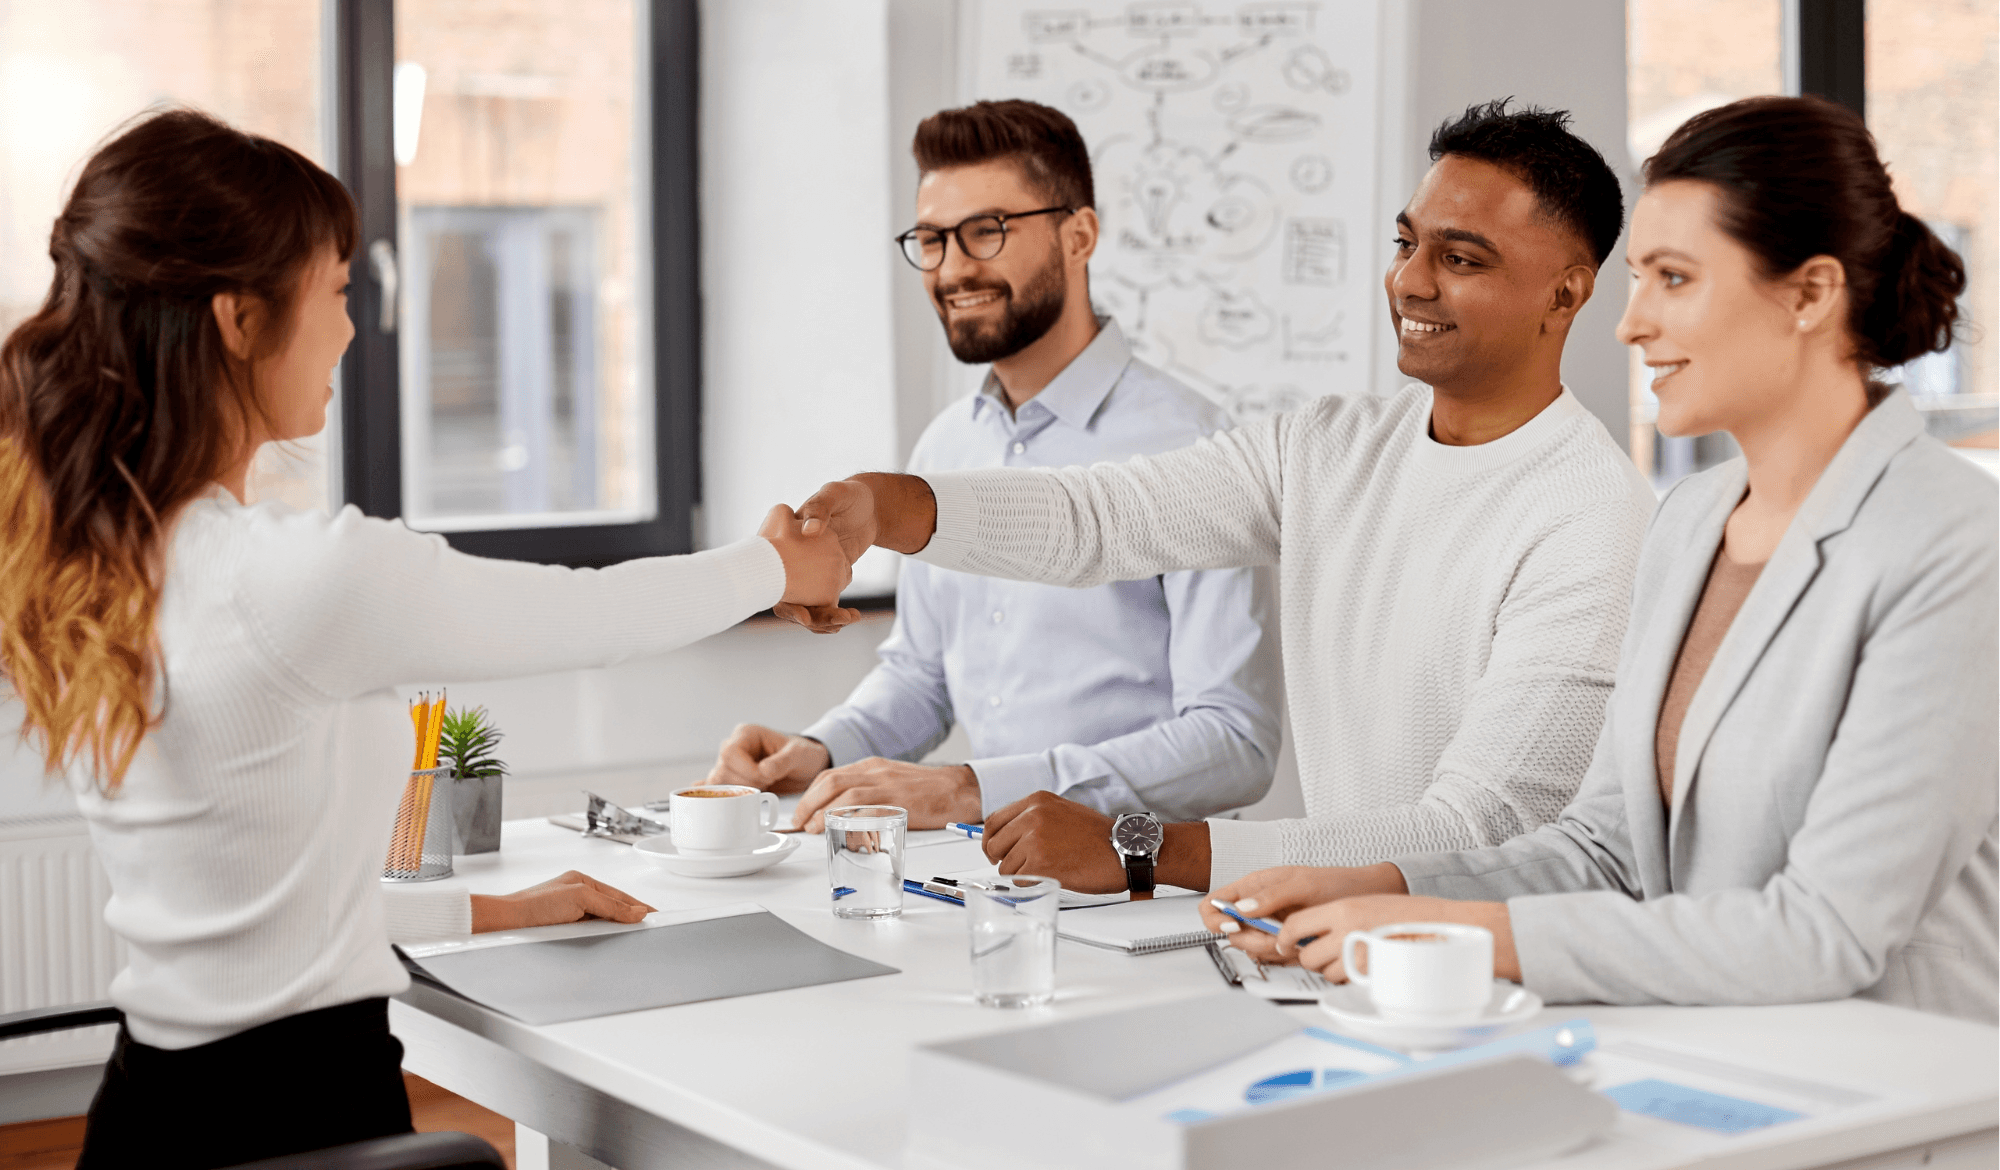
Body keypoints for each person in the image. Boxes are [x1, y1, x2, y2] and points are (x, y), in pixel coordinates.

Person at [0, 110, 853, 1167]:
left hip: (151, 1115)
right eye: (338, 291)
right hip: (302, 1112)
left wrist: (486, 909)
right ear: (237, 318)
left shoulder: (89, 559)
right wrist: (780, 566)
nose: (353, 330)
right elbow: (591, 615)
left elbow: (240, 890)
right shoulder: (296, 578)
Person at [1201, 96, 1997, 1022]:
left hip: (1905, 1099)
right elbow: (1607, 850)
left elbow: (1824, 932)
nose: (1630, 324)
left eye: (1674, 279)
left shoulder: (1951, 548)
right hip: (1720, 1064)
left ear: (1811, 295)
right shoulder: (1694, 519)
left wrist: (1475, 935)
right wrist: (1377, 887)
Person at [782, 100, 1659, 897]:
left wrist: (1138, 846)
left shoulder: (1590, 513)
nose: (1410, 282)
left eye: (1460, 258)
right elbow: (1100, 520)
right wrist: (881, 507)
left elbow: (1475, 829)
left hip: (1494, 967)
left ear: (1566, 293)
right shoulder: (1327, 446)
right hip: (1330, 934)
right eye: (1405, 243)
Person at [707, 101, 1280, 832]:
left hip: (1145, 888)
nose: (952, 269)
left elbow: (1235, 741)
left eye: (986, 232)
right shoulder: (946, 449)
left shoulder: (1194, 445)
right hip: (990, 877)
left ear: (1080, 236)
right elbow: (924, 675)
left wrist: (976, 789)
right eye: (932, 239)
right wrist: (821, 751)